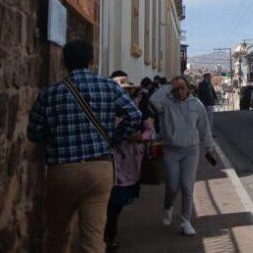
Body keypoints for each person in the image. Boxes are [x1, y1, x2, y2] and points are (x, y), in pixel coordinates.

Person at [27, 40, 142, 253]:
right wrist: (115, 138)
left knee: (56, 236)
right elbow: (134, 115)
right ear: (91, 60)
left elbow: (34, 133)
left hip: (62, 170)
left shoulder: (49, 93)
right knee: (93, 238)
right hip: (99, 168)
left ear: (64, 63)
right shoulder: (108, 86)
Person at [150, 76, 215, 237]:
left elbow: (204, 127)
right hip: (171, 151)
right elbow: (152, 100)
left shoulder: (197, 104)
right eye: (176, 89)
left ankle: (186, 221)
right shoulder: (165, 104)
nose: (179, 92)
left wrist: (209, 147)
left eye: (182, 88)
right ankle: (168, 206)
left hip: (191, 151)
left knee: (187, 187)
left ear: (188, 88)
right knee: (172, 186)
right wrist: (168, 86)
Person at [104, 73, 154, 250]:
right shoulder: (104, 106)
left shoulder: (138, 107)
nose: (123, 91)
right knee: (111, 201)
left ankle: (109, 232)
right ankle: (109, 235)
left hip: (130, 161)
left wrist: (140, 137)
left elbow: (150, 131)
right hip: (109, 159)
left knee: (118, 201)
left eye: (126, 88)